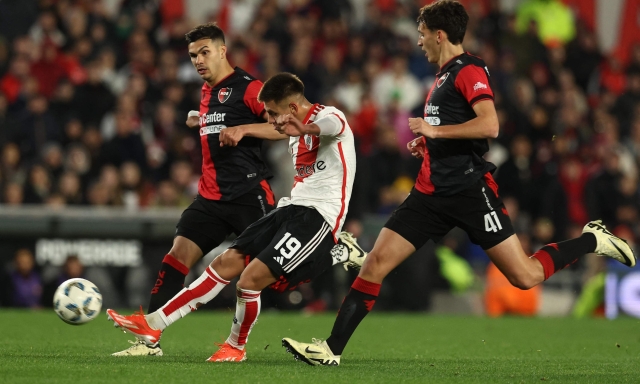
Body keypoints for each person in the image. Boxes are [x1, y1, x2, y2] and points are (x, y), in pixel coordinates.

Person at [281, 0, 636, 366]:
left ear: (439, 35)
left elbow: (490, 125)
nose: (418, 42)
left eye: (421, 35)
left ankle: (593, 238)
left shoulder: (469, 69)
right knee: (374, 264)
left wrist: (435, 130)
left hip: (468, 191)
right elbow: (458, 131)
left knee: (525, 276)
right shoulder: (443, 75)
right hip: (428, 194)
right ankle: (330, 350)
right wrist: (431, 142)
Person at [111, 23, 364, 356]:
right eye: (192, 55)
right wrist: (200, 120)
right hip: (282, 206)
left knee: (259, 277)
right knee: (225, 266)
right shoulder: (210, 96)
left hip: (310, 214)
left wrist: (302, 126)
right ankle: (154, 327)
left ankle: (337, 253)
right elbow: (233, 121)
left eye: (273, 114)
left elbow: (329, 125)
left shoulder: (325, 117)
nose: (271, 122)